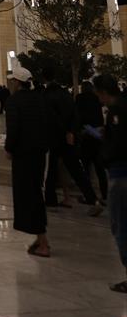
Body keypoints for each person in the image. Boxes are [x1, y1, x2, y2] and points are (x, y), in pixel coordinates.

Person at [5, 64, 50, 257]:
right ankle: (41, 239)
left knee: (28, 196)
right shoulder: (39, 99)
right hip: (39, 154)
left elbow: (14, 128)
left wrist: (9, 148)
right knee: (35, 193)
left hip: (23, 155)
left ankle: (43, 243)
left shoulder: (14, 102)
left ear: (16, 82)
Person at [42, 66, 101, 213]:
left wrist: (63, 131)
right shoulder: (64, 93)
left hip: (54, 138)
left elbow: (51, 118)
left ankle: (51, 202)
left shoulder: (46, 95)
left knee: (51, 170)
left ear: (44, 78)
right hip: (68, 138)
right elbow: (75, 114)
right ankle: (93, 200)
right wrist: (71, 132)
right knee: (77, 170)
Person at [92, 73, 127, 293]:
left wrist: (105, 150)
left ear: (103, 92)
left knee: (120, 225)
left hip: (120, 174)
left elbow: (119, 143)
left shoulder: (117, 111)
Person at [77, 79, 108, 204]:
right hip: (97, 136)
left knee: (85, 168)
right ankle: (104, 194)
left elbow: (78, 116)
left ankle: (89, 195)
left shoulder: (79, 99)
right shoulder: (96, 99)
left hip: (85, 136)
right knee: (99, 168)